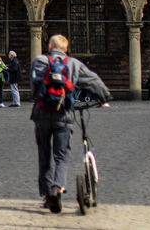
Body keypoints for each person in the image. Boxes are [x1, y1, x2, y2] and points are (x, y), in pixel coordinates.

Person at [31, 34, 112, 214]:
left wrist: (38, 101)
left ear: (50, 46)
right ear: (66, 49)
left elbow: (35, 85)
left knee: (44, 156)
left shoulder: (39, 61)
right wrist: (104, 97)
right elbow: (93, 81)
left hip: (42, 115)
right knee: (61, 156)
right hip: (64, 116)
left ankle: (47, 195)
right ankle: (57, 187)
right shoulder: (73, 63)